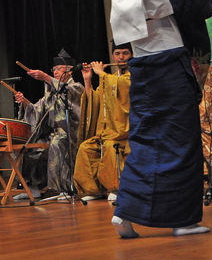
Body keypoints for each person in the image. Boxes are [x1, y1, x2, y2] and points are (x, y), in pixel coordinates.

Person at [109, 0, 212, 238]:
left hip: (141, 69)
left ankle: (125, 212)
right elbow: (195, 1)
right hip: (170, 68)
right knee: (182, 144)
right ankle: (183, 220)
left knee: (144, 142)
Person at [14, 49, 84, 198]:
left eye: (59, 69)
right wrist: (24, 101)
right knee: (31, 145)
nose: (56, 72)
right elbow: (37, 110)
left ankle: (62, 188)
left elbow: (74, 107)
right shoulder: (52, 92)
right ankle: (33, 187)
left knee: (57, 143)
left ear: (69, 72)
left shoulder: (76, 88)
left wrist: (45, 77)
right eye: (54, 70)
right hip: (53, 133)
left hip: (71, 133)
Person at [74, 41, 132, 201]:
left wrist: (101, 74)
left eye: (125, 53)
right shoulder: (110, 78)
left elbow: (123, 89)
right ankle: (93, 190)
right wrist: (88, 80)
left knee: (109, 146)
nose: (121, 57)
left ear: (132, 55)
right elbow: (96, 100)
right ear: (113, 56)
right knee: (86, 148)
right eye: (117, 54)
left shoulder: (133, 76)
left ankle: (116, 188)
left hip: (123, 132)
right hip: (106, 131)